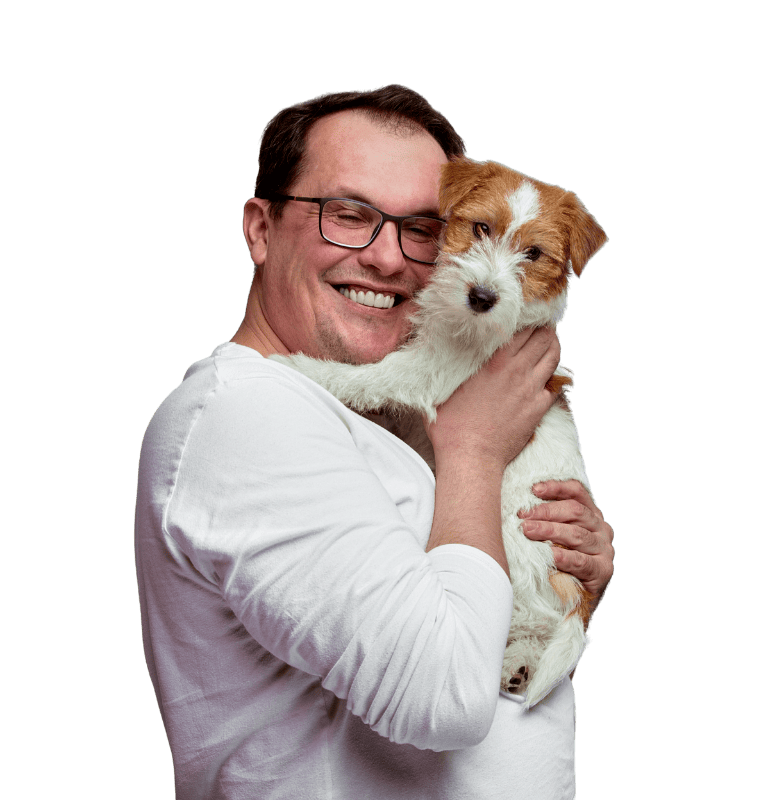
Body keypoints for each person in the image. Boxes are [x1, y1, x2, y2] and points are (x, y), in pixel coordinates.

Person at [134, 85, 614, 799]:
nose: (389, 259)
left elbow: (459, 616)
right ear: (261, 229)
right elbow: (442, 697)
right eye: (348, 215)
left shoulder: (355, 417)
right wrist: (476, 452)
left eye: (422, 228)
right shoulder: (246, 415)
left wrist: (563, 576)